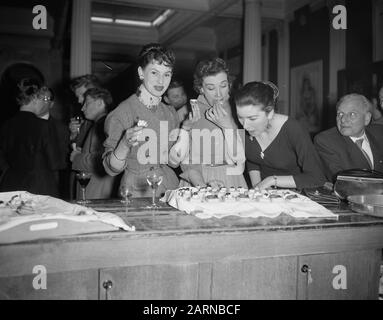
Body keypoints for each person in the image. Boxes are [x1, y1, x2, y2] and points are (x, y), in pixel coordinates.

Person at [103, 43, 180, 197]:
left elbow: (173, 161)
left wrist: (186, 133)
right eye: (154, 73)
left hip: (168, 188)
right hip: (136, 191)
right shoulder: (122, 112)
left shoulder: (170, 113)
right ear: (141, 73)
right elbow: (112, 168)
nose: (161, 81)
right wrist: (124, 144)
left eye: (167, 74)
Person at [169, 57, 246, 188]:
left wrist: (227, 126)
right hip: (198, 181)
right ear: (201, 88)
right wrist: (185, 129)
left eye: (223, 85)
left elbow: (240, 162)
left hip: (231, 179)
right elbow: (173, 162)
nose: (218, 94)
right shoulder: (186, 111)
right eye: (211, 88)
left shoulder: (238, 109)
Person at [233, 81, 326, 190]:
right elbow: (253, 159)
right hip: (266, 195)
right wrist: (258, 188)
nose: (245, 126)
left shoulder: (293, 129)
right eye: (240, 117)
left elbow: (317, 178)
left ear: (270, 112)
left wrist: (271, 180)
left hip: (297, 195)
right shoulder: (248, 128)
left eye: (252, 118)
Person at [0, 79, 60, 196]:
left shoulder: (6, 125)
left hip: (11, 185)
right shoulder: (43, 125)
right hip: (40, 187)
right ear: (35, 99)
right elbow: (55, 162)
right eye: (41, 98)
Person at [314, 93, 383, 182]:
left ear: (367, 118)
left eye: (352, 114)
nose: (342, 120)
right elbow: (344, 182)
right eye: (340, 114)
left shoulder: (379, 133)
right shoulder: (325, 141)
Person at [70, 88, 118, 199]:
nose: (82, 108)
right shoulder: (101, 123)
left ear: (100, 103)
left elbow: (102, 160)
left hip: (96, 193)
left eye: (86, 103)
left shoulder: (103, 125)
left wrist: (76, 157)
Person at [69, 74, 100, 146]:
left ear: (96, 94)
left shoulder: (109, 119)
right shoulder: (86, 118)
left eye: (82, 95)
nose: (79, 100)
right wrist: (74, 134)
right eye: (78, 97)